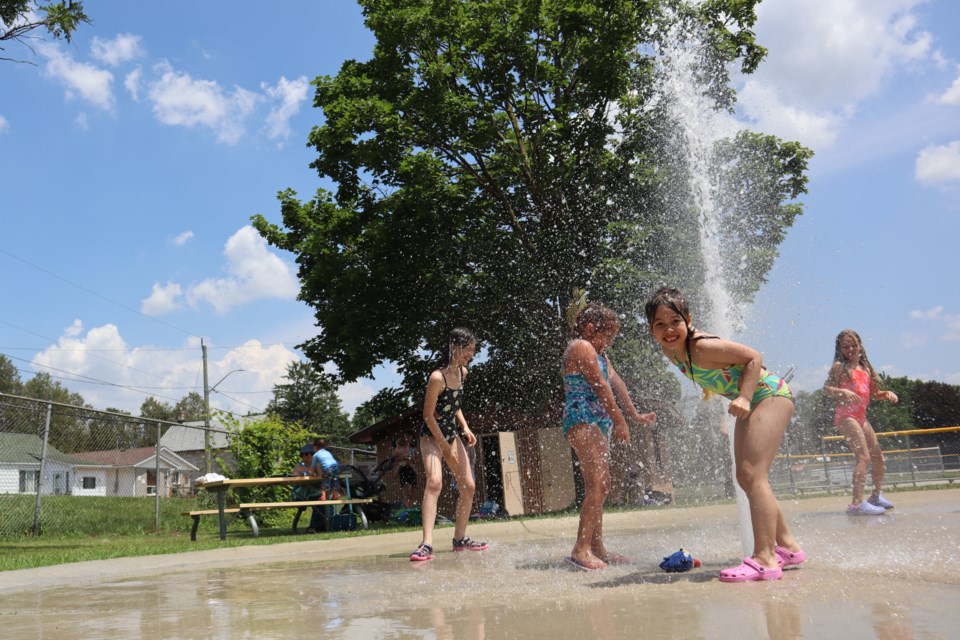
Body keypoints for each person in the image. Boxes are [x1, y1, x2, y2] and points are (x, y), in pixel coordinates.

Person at [644, 286, 805, 582]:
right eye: (659, 324)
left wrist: (743, 397)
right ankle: (789, 547)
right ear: (651, 329)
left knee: (753, 475)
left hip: (768, 395)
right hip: (751, 400)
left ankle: (766, 558)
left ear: (688, 320)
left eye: (675, 321)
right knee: (745, 477)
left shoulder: (701, 347)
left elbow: (754, 358)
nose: (669, 330)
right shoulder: (671, 352)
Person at [562, 303, 656, 570]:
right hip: (582, 419)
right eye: (608, 336)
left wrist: (634, 414)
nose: (610, 342)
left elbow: (617, 383)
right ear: (591, 329)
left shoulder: (601, 354)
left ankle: (597, 547)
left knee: (601, 484)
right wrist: (620, 420)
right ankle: (580, 549)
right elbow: (600, 386)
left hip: (596, 421)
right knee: (599, 483)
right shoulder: (581, 347)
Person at [409, 327, 488, 561]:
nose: (471, 355)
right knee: (435, 482)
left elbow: (454, 405)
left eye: (473, 351)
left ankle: (460, 539)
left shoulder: (463, 373)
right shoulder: (437, 377)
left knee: (468, 486)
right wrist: (443, 446)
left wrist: (464, 426)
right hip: (431, 436)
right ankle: (426, 544)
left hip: (451, 433)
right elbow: (428, 415)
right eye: (468, 350)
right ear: (454, 347)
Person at [824, 329, 899, 516]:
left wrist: (886, 394)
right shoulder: (840, 367)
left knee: (878, 458)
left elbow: (874, 393)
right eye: (845, 346)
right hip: (845, 416)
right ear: (840, 349)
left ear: (860, 346)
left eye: (853, 345)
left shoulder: (865, 369)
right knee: (863, 457)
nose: (850, 349)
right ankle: (856, 504)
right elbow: (827, 389)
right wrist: (842, 391)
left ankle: (875, 496)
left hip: (861, 417)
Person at [292, 444, 325, 533]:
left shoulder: (317, 465)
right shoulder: (299, 466)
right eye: (306, 454)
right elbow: (295, 477)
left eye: (311, 453)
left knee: (322, 502)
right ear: (302, 456)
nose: (309, 456)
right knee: (319, 501)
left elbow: (321, 478)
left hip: (315, 493)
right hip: (301, 494)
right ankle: (315, 527)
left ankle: (316, 527)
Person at [393, 435, 419, 507]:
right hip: (404, 468)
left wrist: (407, 460)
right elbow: (395, 459)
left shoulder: (409, 449)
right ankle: (407, 506)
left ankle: (409, 506)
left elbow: (414, 460)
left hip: (407, 468)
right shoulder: (399, 450)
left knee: (409, 492)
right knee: (406, 492)